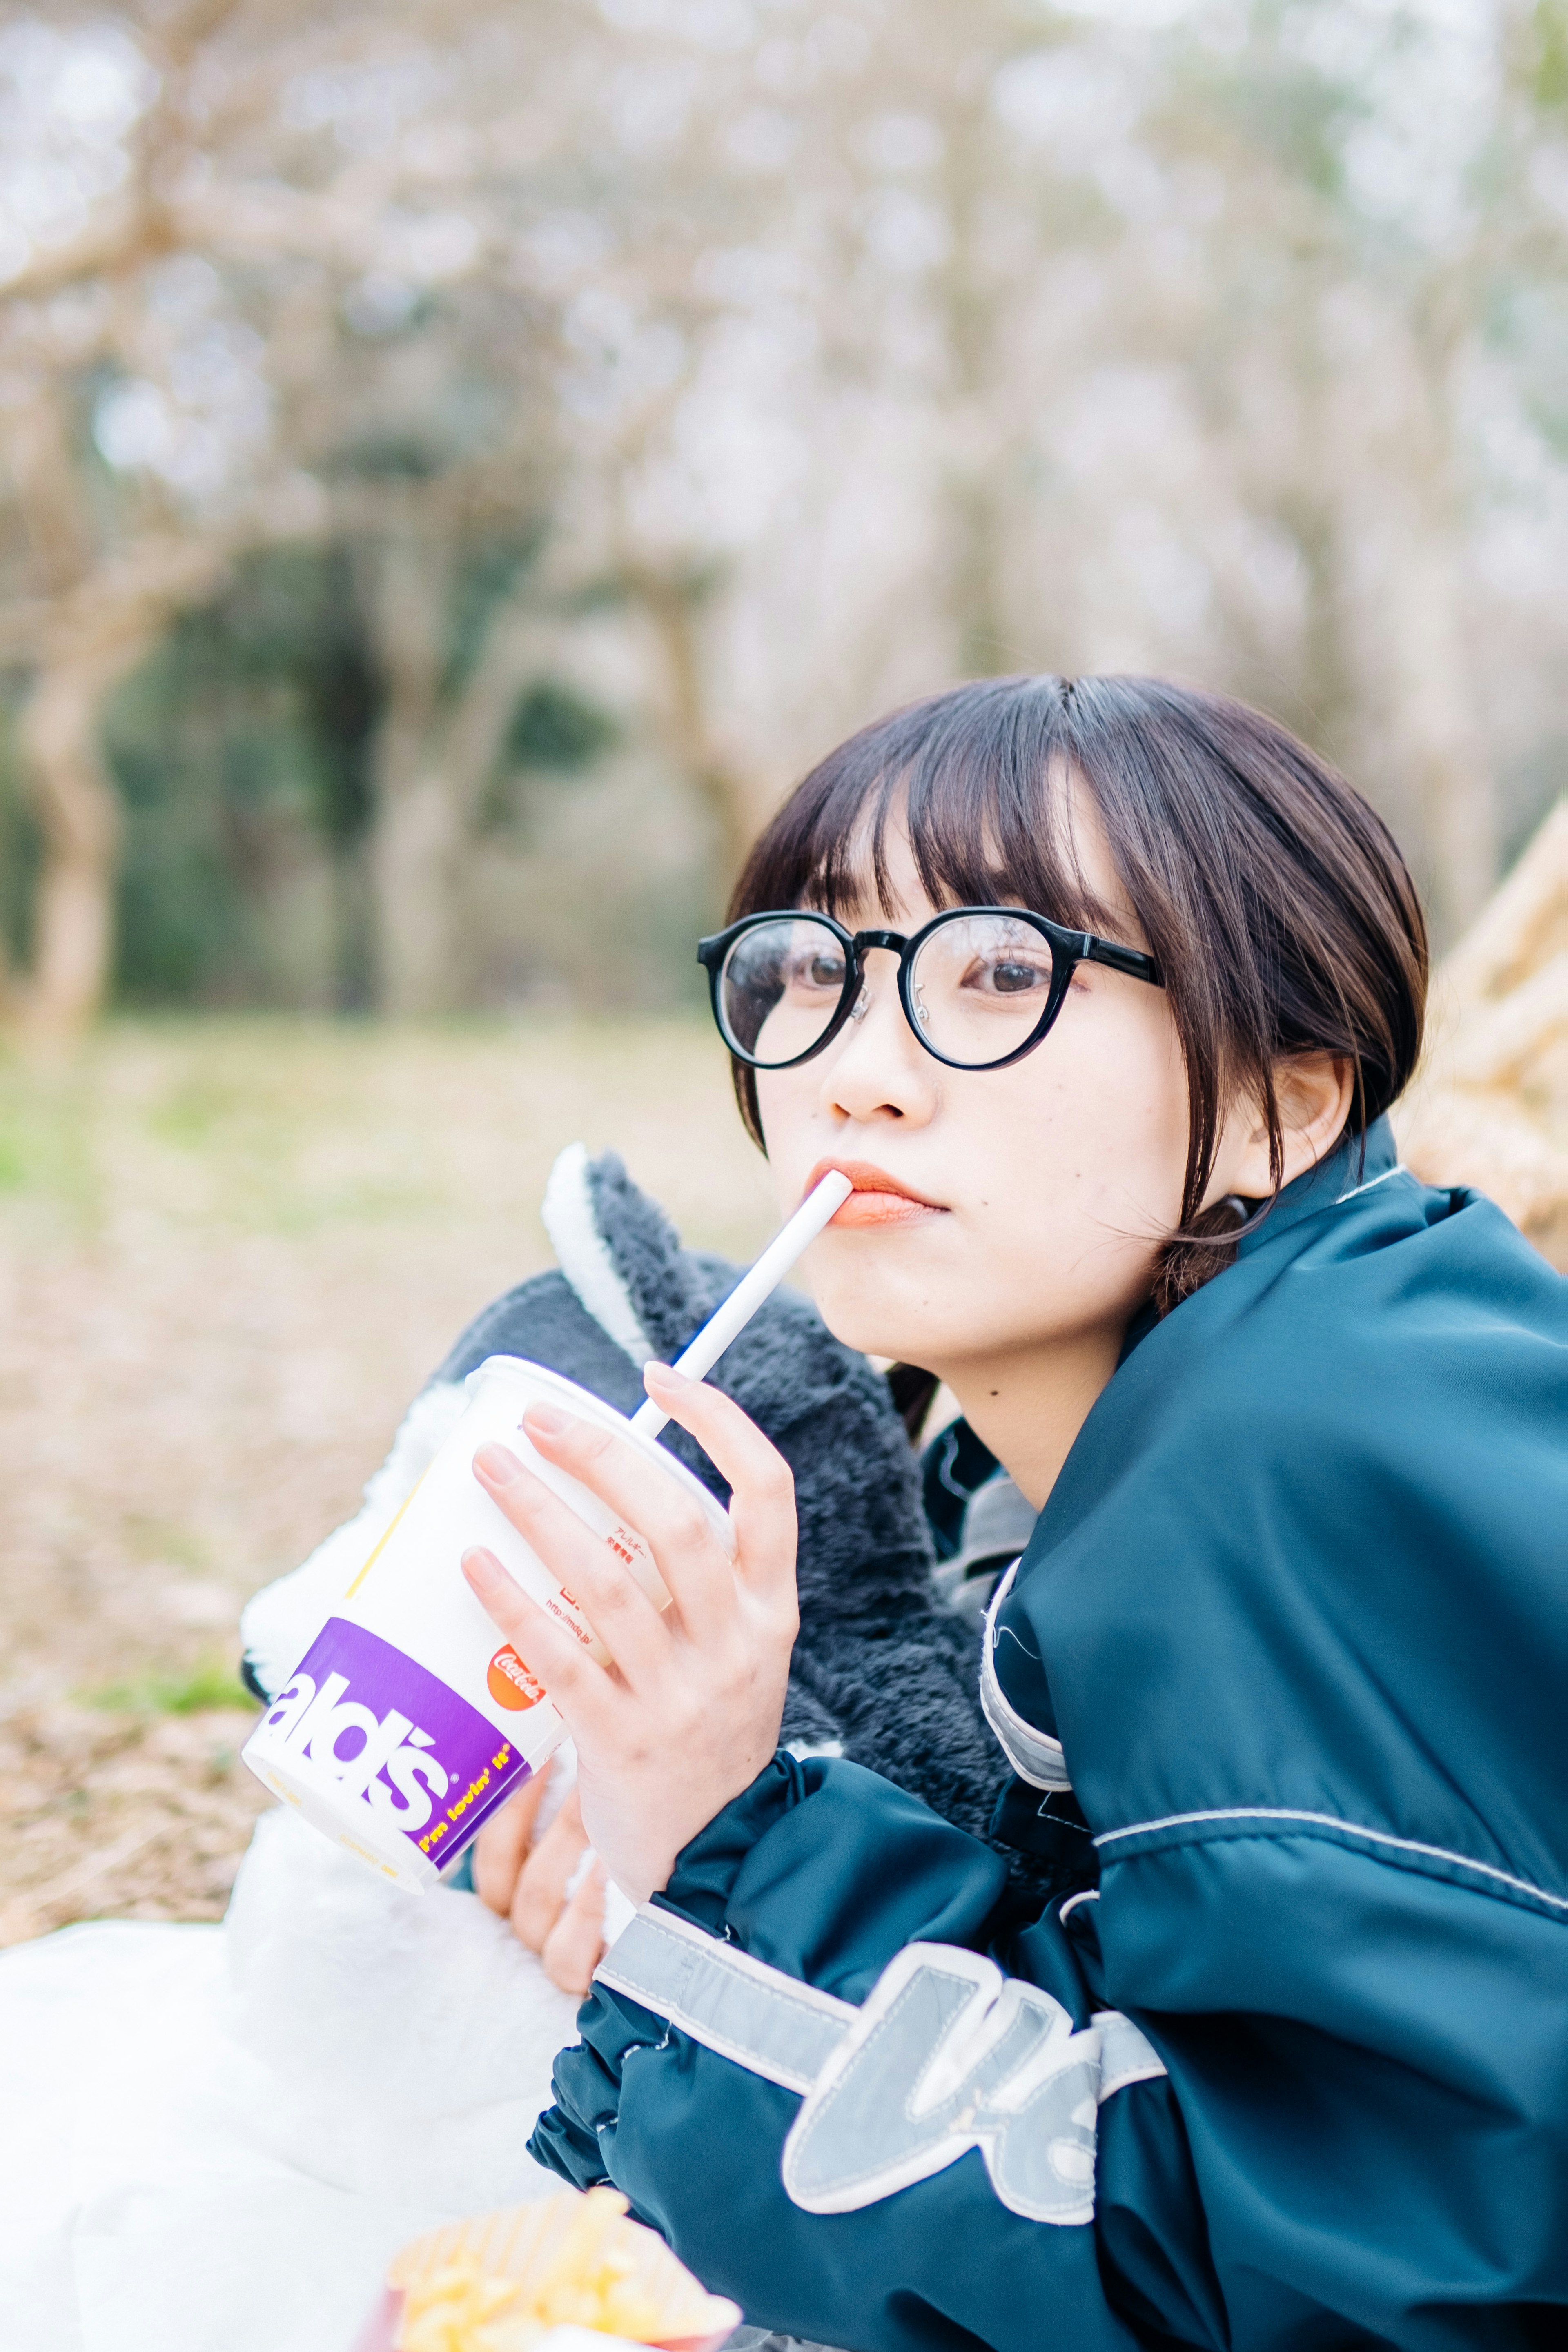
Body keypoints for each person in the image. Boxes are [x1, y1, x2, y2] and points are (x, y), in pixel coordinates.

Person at [448, 674, 1568, 2351]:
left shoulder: (1291, 1451)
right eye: (809, 972)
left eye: (999, 972)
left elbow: (1350, 2282)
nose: (856, 1076)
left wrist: (720, 1838)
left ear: (1289, 1101)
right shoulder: (1270, 1389)